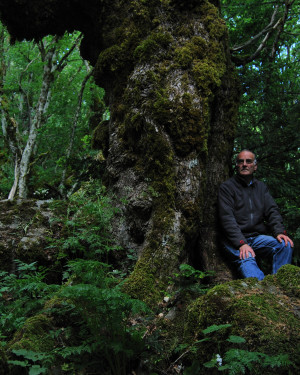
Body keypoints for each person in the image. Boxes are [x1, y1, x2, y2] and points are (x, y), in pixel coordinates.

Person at [218, 149, 293, 280]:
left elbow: (272, 211)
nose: (244, 164)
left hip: (256, 238)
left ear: (255, 166)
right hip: (234, 241)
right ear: (237, 165)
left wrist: (279, 231)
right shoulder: (227, 188)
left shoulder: (261, 188)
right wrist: (241, 243)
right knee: (248, 261)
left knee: (284, 244)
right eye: (241, 162)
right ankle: (264, 292)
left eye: (248, 161)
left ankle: (280, 285)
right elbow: (226, 219)